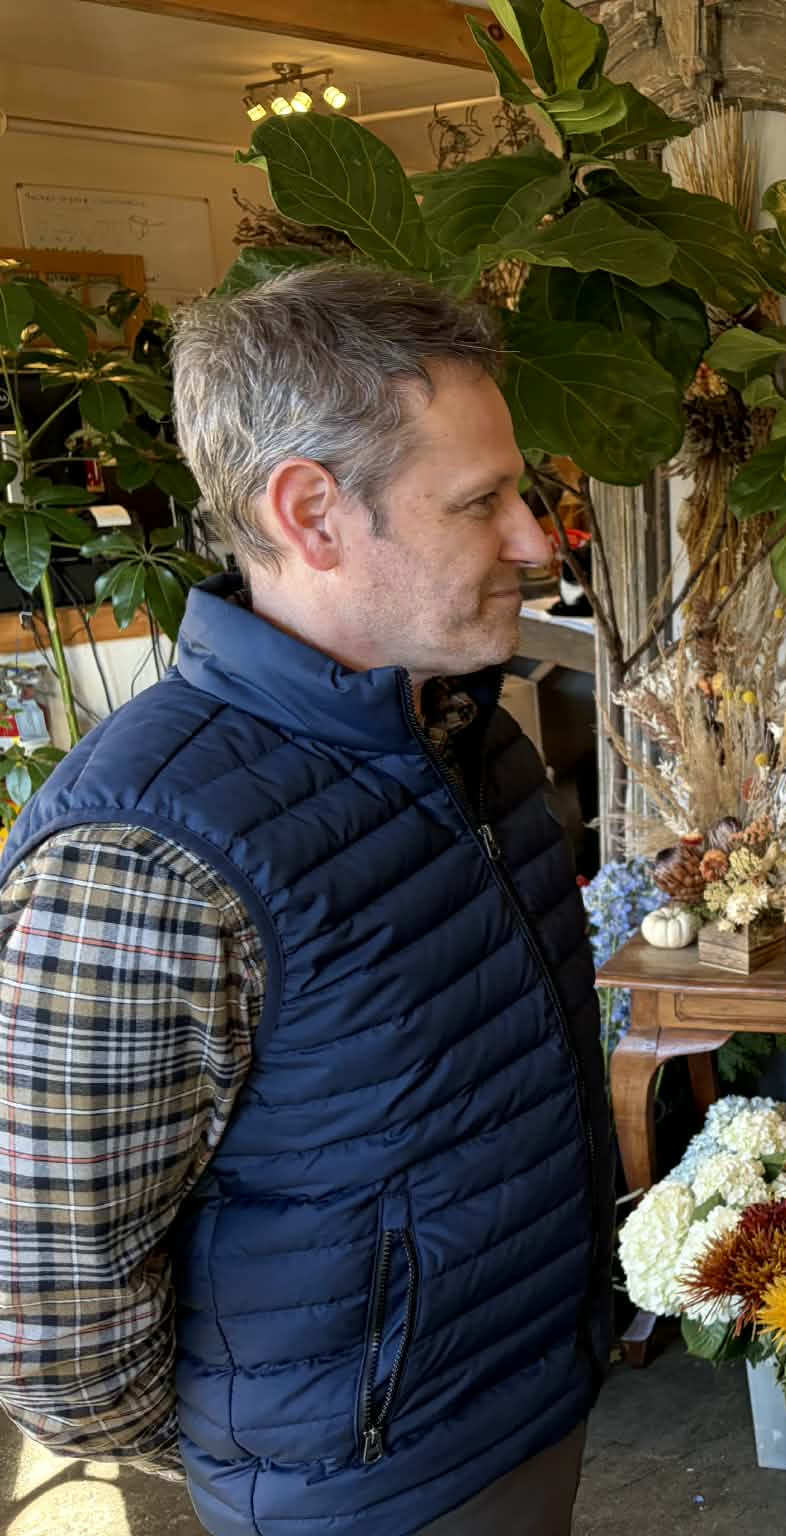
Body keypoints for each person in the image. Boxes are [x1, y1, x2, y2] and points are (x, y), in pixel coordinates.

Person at [0, 264, 612, 1535]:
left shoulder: (464, 733)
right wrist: (286, 1453)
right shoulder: (141, 856)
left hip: (531, 1392)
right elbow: (53, 1326)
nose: (534, 540)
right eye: (481, 502)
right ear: (312, 513)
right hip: (362, 1491)